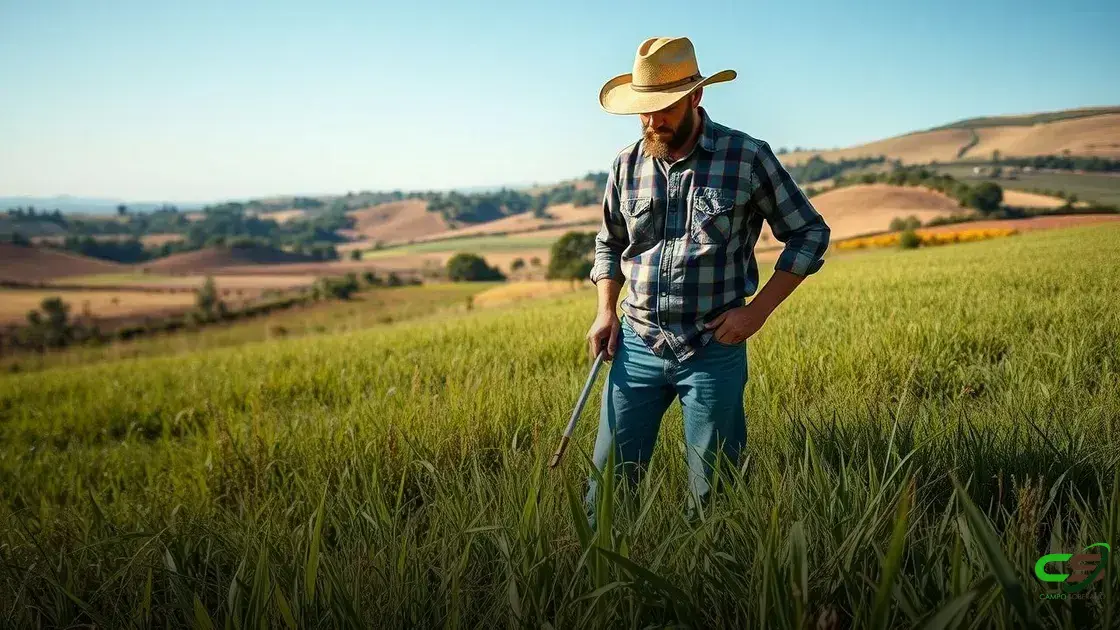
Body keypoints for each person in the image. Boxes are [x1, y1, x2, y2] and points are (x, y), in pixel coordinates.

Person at [585, 36, 831, 528]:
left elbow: (809, 232)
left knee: (716, 490)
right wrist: (605, 311)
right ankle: (599, 574)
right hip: (635, 344)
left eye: (664, 109)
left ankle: (712, 584)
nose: (652, 121)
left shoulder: (746, 157)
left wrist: (757, 311)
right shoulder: (626, 163)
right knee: (607, 487)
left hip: (713, 345)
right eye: (643, 111)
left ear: (696, 98)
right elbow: (609, 243)